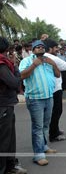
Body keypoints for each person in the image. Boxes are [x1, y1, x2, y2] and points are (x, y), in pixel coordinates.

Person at [19, 40, 60, 166]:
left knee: (45, 124)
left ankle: (44, 146)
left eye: (42, 47)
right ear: (33, 50)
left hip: (49, 97)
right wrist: (34, 65)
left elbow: (58, 75)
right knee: (37, 127)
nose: (40, 48)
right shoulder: (26, 61)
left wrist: (53, 64)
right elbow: (22, 76)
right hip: (35, 99)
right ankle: (38, 155)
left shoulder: (48, 61)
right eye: (37, 47)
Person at [0, 37, 27, 174]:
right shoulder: (2, 64)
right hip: (3, 106)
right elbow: (14, 83)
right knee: (5, 140)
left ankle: (10, 165)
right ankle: (6, 168)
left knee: (8, 139)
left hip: (5, 104)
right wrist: (15, 66)